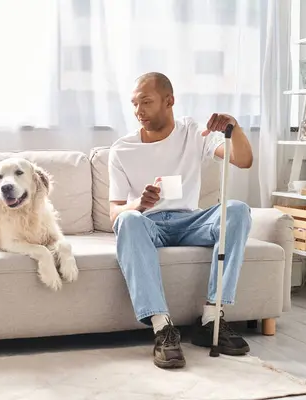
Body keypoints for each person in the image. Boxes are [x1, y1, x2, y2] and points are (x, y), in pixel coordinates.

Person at [108, 72, 254, 369]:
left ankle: (212, 320)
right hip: (148, 223)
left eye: (146, 102)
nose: (139, 112)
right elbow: (115, 214)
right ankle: (163, 329)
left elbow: (243, 159)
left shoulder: (192, 132)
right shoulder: (121, 149)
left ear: (169, 101)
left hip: (191, 221)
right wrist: (139, 204)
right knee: (128, 222)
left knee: (237, 209)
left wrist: (234, 128)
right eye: (135, 104)